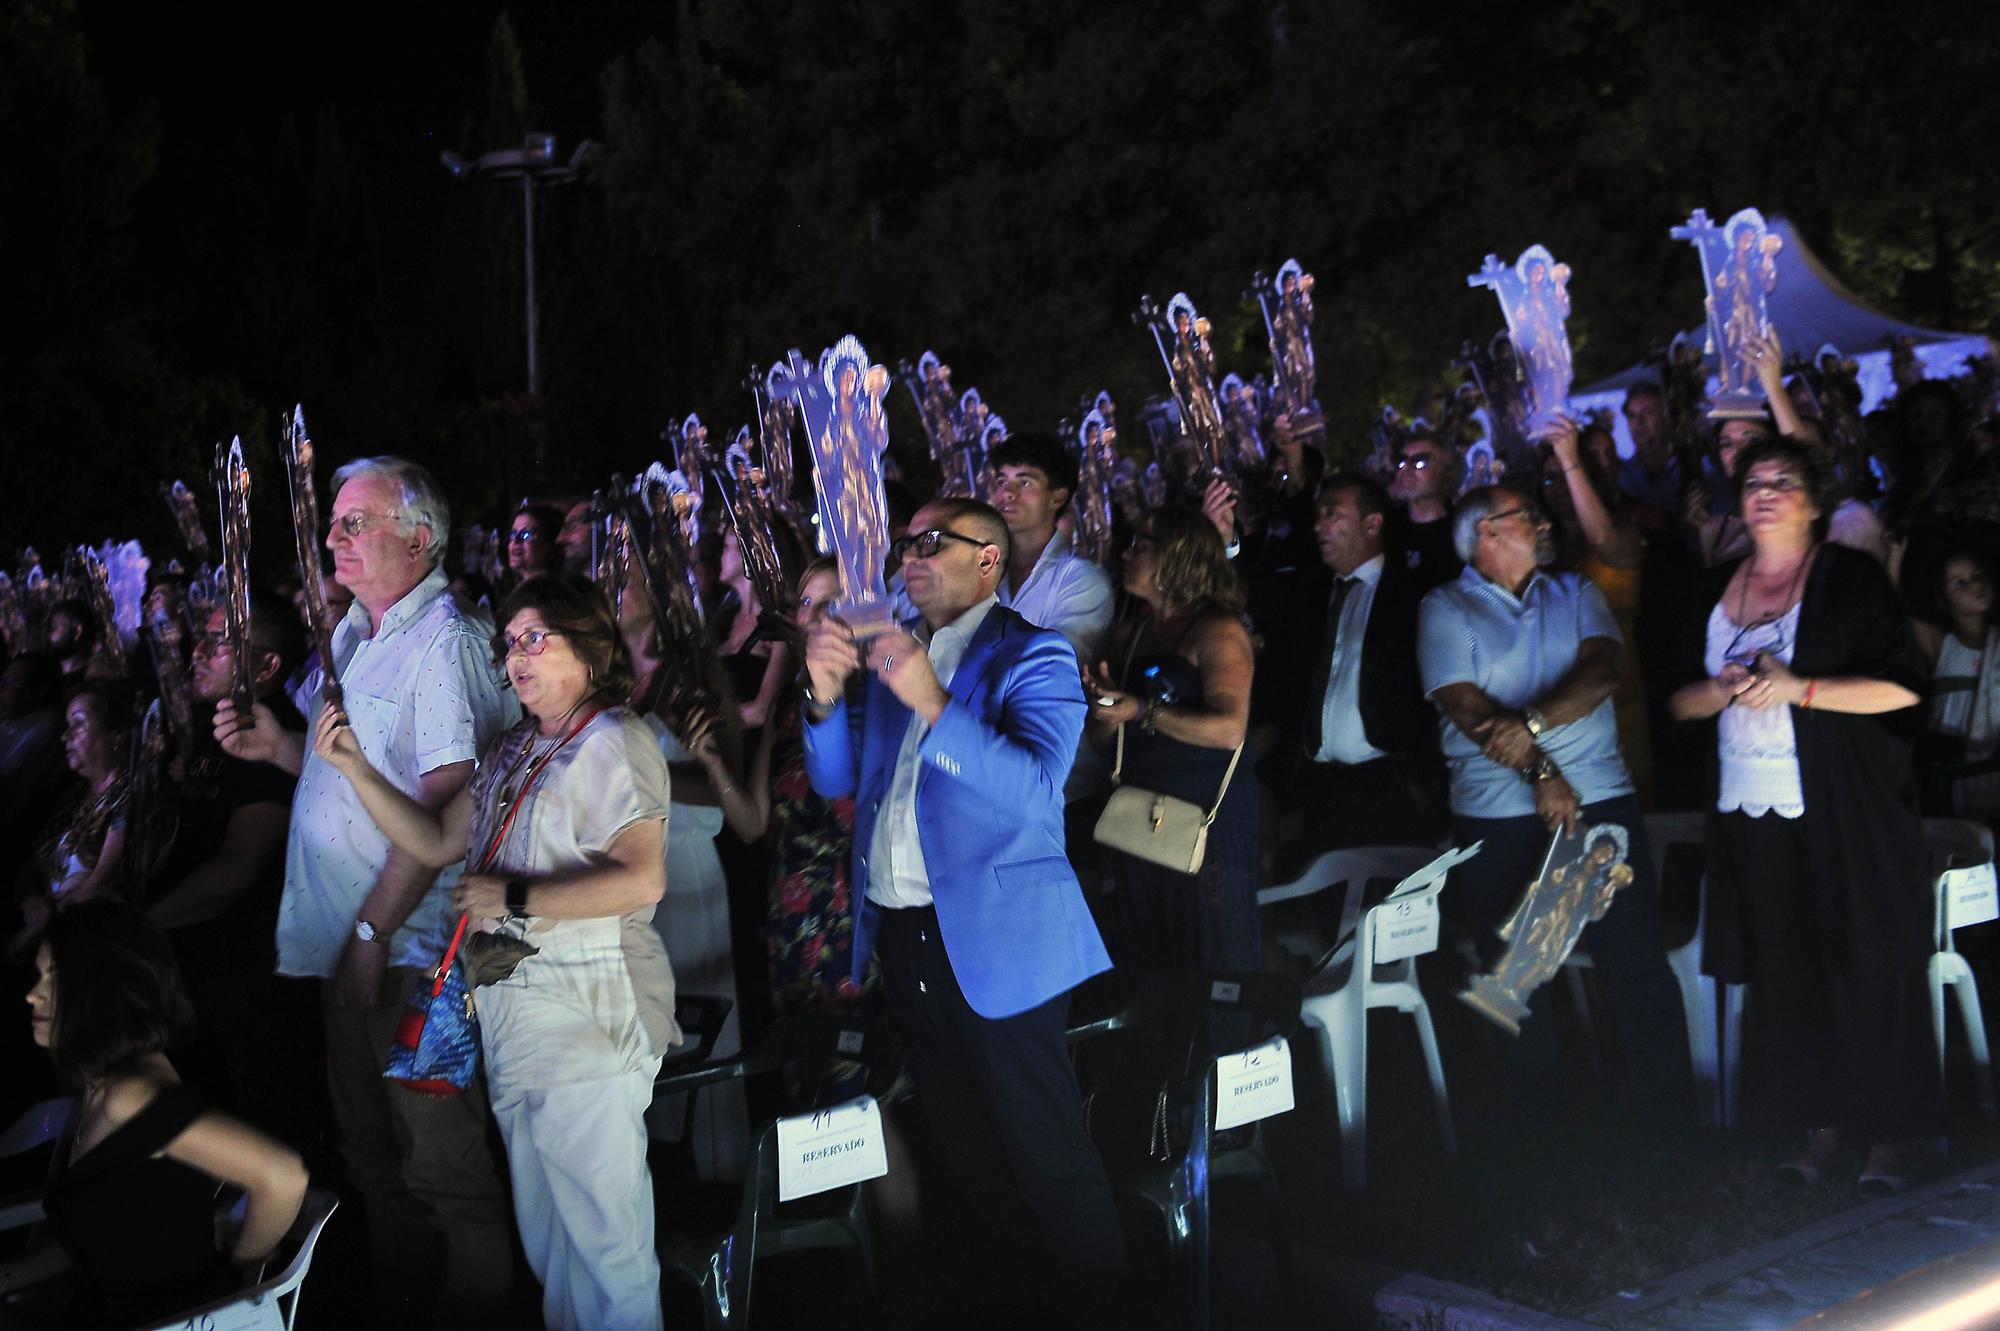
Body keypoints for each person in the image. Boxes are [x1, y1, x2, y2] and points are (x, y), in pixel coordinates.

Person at [313, 572, 676, 1331]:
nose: (516, 655)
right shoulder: (512, 747)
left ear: (589, 644)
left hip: (590, 1020)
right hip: (517, 1021)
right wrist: (351, 765)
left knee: (608, 1253)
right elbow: (434, 839)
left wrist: (511, 897)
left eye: (535, 637)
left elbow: (641, 877)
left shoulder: (615, 738)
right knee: (551, 1247)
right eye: (509, 641)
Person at [802, 497, 1123, 1325]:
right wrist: (823, 696)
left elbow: (1036, 789)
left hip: (1000, 938)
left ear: (989, 559)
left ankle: (1102, 1307)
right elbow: (839, 782)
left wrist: (936, 701)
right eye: (904, 542)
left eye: (930, 541)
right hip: (907, 935)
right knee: (969, 1152)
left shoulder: (1034, 654)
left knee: (1043, 1149)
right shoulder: (892, 654)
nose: (909, 555)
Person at [215, 455, 515, 1325]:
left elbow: (442, 811)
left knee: (442, 1166)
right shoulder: (354, 630)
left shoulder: (449, 640)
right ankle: (406, 1305)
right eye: (336, 520)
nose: (335, 536)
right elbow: (341, 768)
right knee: (371, 1158)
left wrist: (371, 934)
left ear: (419, 537)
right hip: (345, 944)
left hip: (416, 953)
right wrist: (273, 746)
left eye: (357, 521)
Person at [1669, 437, 1944, 1190]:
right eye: (1754, 480)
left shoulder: (1849, 578)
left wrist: (1801, 689)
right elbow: (1678, 699)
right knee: (1786, 972)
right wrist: (1725, 687)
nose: (1764, 491)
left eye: (1784, 481)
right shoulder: (1715, 587)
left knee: (1867, 964)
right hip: (1749, 811)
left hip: (1846, 808)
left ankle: (1894, 1135)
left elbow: (1903, 690)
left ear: (1816, 501)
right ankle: (1821, 1131)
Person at [1418, 485, 1691, 1113]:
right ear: (1486, 533)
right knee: (1513, 974)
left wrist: (1532, 726)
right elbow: (1470, 710)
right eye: (1524, 515)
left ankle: (1667, 1112)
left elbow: (1602, 674)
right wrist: (1543, 770)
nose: (1541, 523)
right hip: (1497, 817)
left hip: (1600, 804)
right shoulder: (1444, 606)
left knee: (1633, 955)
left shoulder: (1575, 592)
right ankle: (1538, 1120)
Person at [1, 901, 308, 1328]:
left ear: (101, 989)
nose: (33, 993)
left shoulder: (132, 1095)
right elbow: (97, 1240)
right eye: (41, 975)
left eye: (55, 978)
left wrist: (242, 1273)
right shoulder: (100, 1083)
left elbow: (284, 1175)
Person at [146, 599, 319, 1147]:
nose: (196, 651)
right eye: (203, 636)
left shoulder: (272, 739)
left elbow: (241, 866)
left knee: (254, 1126)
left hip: (244, 975)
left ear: (267, 668)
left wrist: (140, 924)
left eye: (220, 642)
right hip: (197, 964)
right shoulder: (215, 724)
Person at [1084, 504, 1261, 975]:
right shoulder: (1129, 633)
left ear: (1177, 557)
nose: (1126, 553)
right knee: (1147, 959)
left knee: (1210, 955)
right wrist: (1103, 709)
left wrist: (1143, 709)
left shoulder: (1217, 629)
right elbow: (1106, 745)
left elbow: (1229, 729)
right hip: (1138, 816)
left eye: (1141, 544)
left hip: (1206, 817)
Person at [1284, 477, 1446, 862]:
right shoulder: (1314, 591)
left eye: (1332, 514)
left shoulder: (1412, 594)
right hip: (1322, 788)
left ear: (1372, 524)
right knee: (1327, 909)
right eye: (1318, 515)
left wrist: (1418, 781)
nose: (1319, 525)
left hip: (1390, 784)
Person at [1539, 418, 1653, 808]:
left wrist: (1570, 458)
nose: (1558, 490)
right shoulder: (1541, 554)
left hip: (1619, 706)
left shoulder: (1624, 535)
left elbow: (1604, 542)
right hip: (1557, 712)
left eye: (1567, 476)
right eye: (1549, 480)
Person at [988, 433, 1115, 667]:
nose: (1007, 492)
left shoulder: (1082, 580)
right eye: (1001, 481)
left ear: (1058, 498)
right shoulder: (980, 569)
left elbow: (1052, 667)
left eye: (1024, 482)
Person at [1916, 553, 2000, 819]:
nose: (1975, 586)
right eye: (1960, 583)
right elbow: (1892, 611)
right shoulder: (1942, 644)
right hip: (1953, 769)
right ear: (1944, 598)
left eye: (1978, 576)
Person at [1388, 432, 1463, 591]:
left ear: (1447, 473)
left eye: (1420, 462)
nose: (1405, 470)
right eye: (1401, 462)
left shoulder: (1464, 532)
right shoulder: (1386, 529)